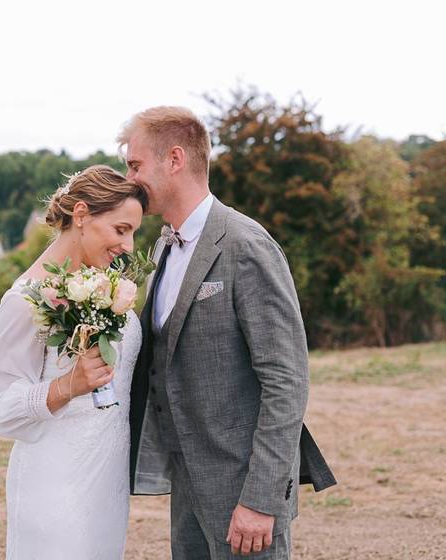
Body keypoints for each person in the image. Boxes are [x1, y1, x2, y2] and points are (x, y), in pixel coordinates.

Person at [119, 106, 336, 559]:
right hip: (187, 486)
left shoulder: (245, 245)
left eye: (135, 164)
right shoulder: (163, 245)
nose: (129, 178)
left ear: (174, 159)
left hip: (244, 492)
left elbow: (286, 380)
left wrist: (260, 498)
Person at [0, 165, 148, 560]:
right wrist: (68, 386)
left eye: (133, 233)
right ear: (81, 215)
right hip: (54, 482)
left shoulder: (108, 285)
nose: (128, 246)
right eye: (121, 229)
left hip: (107, 479)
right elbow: (3, 412)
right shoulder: (24, 299)